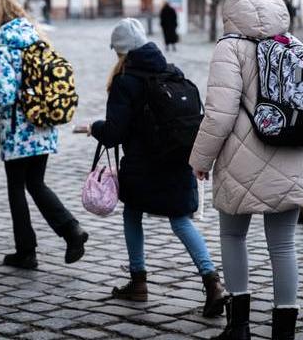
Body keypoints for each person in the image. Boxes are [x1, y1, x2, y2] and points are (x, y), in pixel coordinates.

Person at [189, 0, 303, 340]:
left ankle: (239, 327)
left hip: (241, 160)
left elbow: (218, 114)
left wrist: (200, 160)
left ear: (232, 3)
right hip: (294, 151)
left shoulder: (230, 48)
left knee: (233, 237)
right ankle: (284, 332)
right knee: (283, 245)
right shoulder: (293, 43)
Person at [84, 18, 224, 318]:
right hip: (176, 162)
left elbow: (114, 133)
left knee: (132, 214)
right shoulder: (173, 73)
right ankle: (213, 283)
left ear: (121, 52)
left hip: (142, 166)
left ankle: (138, 282)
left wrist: (93, 127)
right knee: (181, 221)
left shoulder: (126, 81)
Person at [0, 0, 88, 270]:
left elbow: (4, 96)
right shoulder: (37, 42)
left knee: (17, 188)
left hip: (17, 134)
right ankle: (70, 230)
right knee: (36, 183)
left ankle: (27, 251)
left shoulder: (3, 49)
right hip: (43, 127)